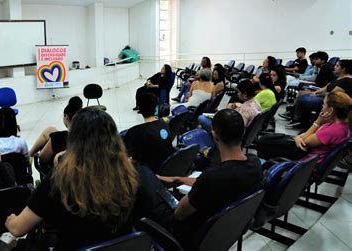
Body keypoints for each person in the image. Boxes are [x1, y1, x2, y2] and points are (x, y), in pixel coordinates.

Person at [5, 107, 139, 250]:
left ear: (73, 139)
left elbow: (17, 229)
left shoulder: (59, 179)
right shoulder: (130, 174)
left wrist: (10, 220)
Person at [157, 109, 262, 248]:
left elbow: (179, 214)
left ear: (215, 136)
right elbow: (217, 184)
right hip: (225, 231)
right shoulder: (255, 164)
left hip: (192, 236)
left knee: (148, 181)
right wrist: (181, 179)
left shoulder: (212, 177)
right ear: (242, 133)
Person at [257, 91, 351, 166]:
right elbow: (306, 136)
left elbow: (305, 142)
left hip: (303, 161)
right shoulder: (341, 126)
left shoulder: (333, 131)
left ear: (330, 110)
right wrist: (299, 138)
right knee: (271, 139)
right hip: (307, 156)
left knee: (265, 142)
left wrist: (317, 122)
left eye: (324, 105)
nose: (322, 107)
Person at [282, 59, 352, 128]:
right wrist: (315, 92)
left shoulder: (346, 81)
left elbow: (332, 94)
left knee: (303, 99)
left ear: (343, 69)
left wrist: (317, 94)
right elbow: (326, 87)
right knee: (303, 95)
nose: (334, 67)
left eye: (337, 66)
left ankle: (297, 119)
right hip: (326, 97)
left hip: (331, 101)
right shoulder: (338, 77)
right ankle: (298, 119)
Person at [124, 93, 174, 173]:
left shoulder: (137, 132)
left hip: (150, 173)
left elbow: (136, 159)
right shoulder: (165, 123)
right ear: (156, 108)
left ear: (140, 109)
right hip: (168, 167)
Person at [35, 96, 83, 172]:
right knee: (50, 130)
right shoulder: (86, 137)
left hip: (57, 172)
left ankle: (27, 155)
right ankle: (28, 153)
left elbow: (42, 158)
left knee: (50, 137)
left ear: (66, 117)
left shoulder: (59, 138)